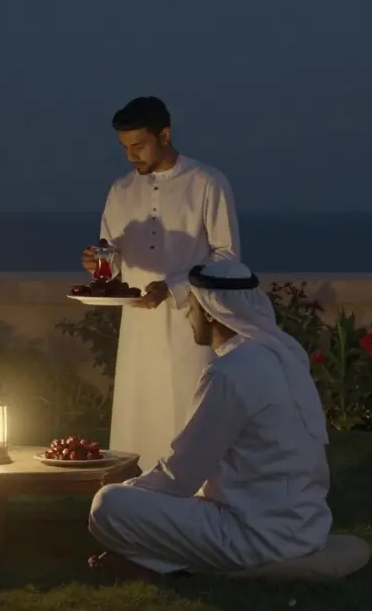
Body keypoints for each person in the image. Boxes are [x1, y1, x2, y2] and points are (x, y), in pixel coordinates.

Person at [86, 260, 333, 580]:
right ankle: (156, 561)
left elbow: (181, 476)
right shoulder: (281, 356)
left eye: (190, 306)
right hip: (307, 528)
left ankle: (156, 564)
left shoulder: (230, 372)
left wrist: (129, 487)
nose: (187, 315)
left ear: (209, 311)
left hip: (258, 536)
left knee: (109, 505)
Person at [83, 95, 242, 472]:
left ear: (165, 134)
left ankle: (198, 502)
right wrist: (99, 264)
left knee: (189, 414)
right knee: (139, 412)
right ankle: (137, 505)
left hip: (193, 325)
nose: (130, 156)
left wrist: (172, 287)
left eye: (138, 145)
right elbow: (114, 258)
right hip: (138, 327)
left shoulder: (207, 182)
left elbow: (227, 256)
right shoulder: (120, 191)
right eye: (124, 148)